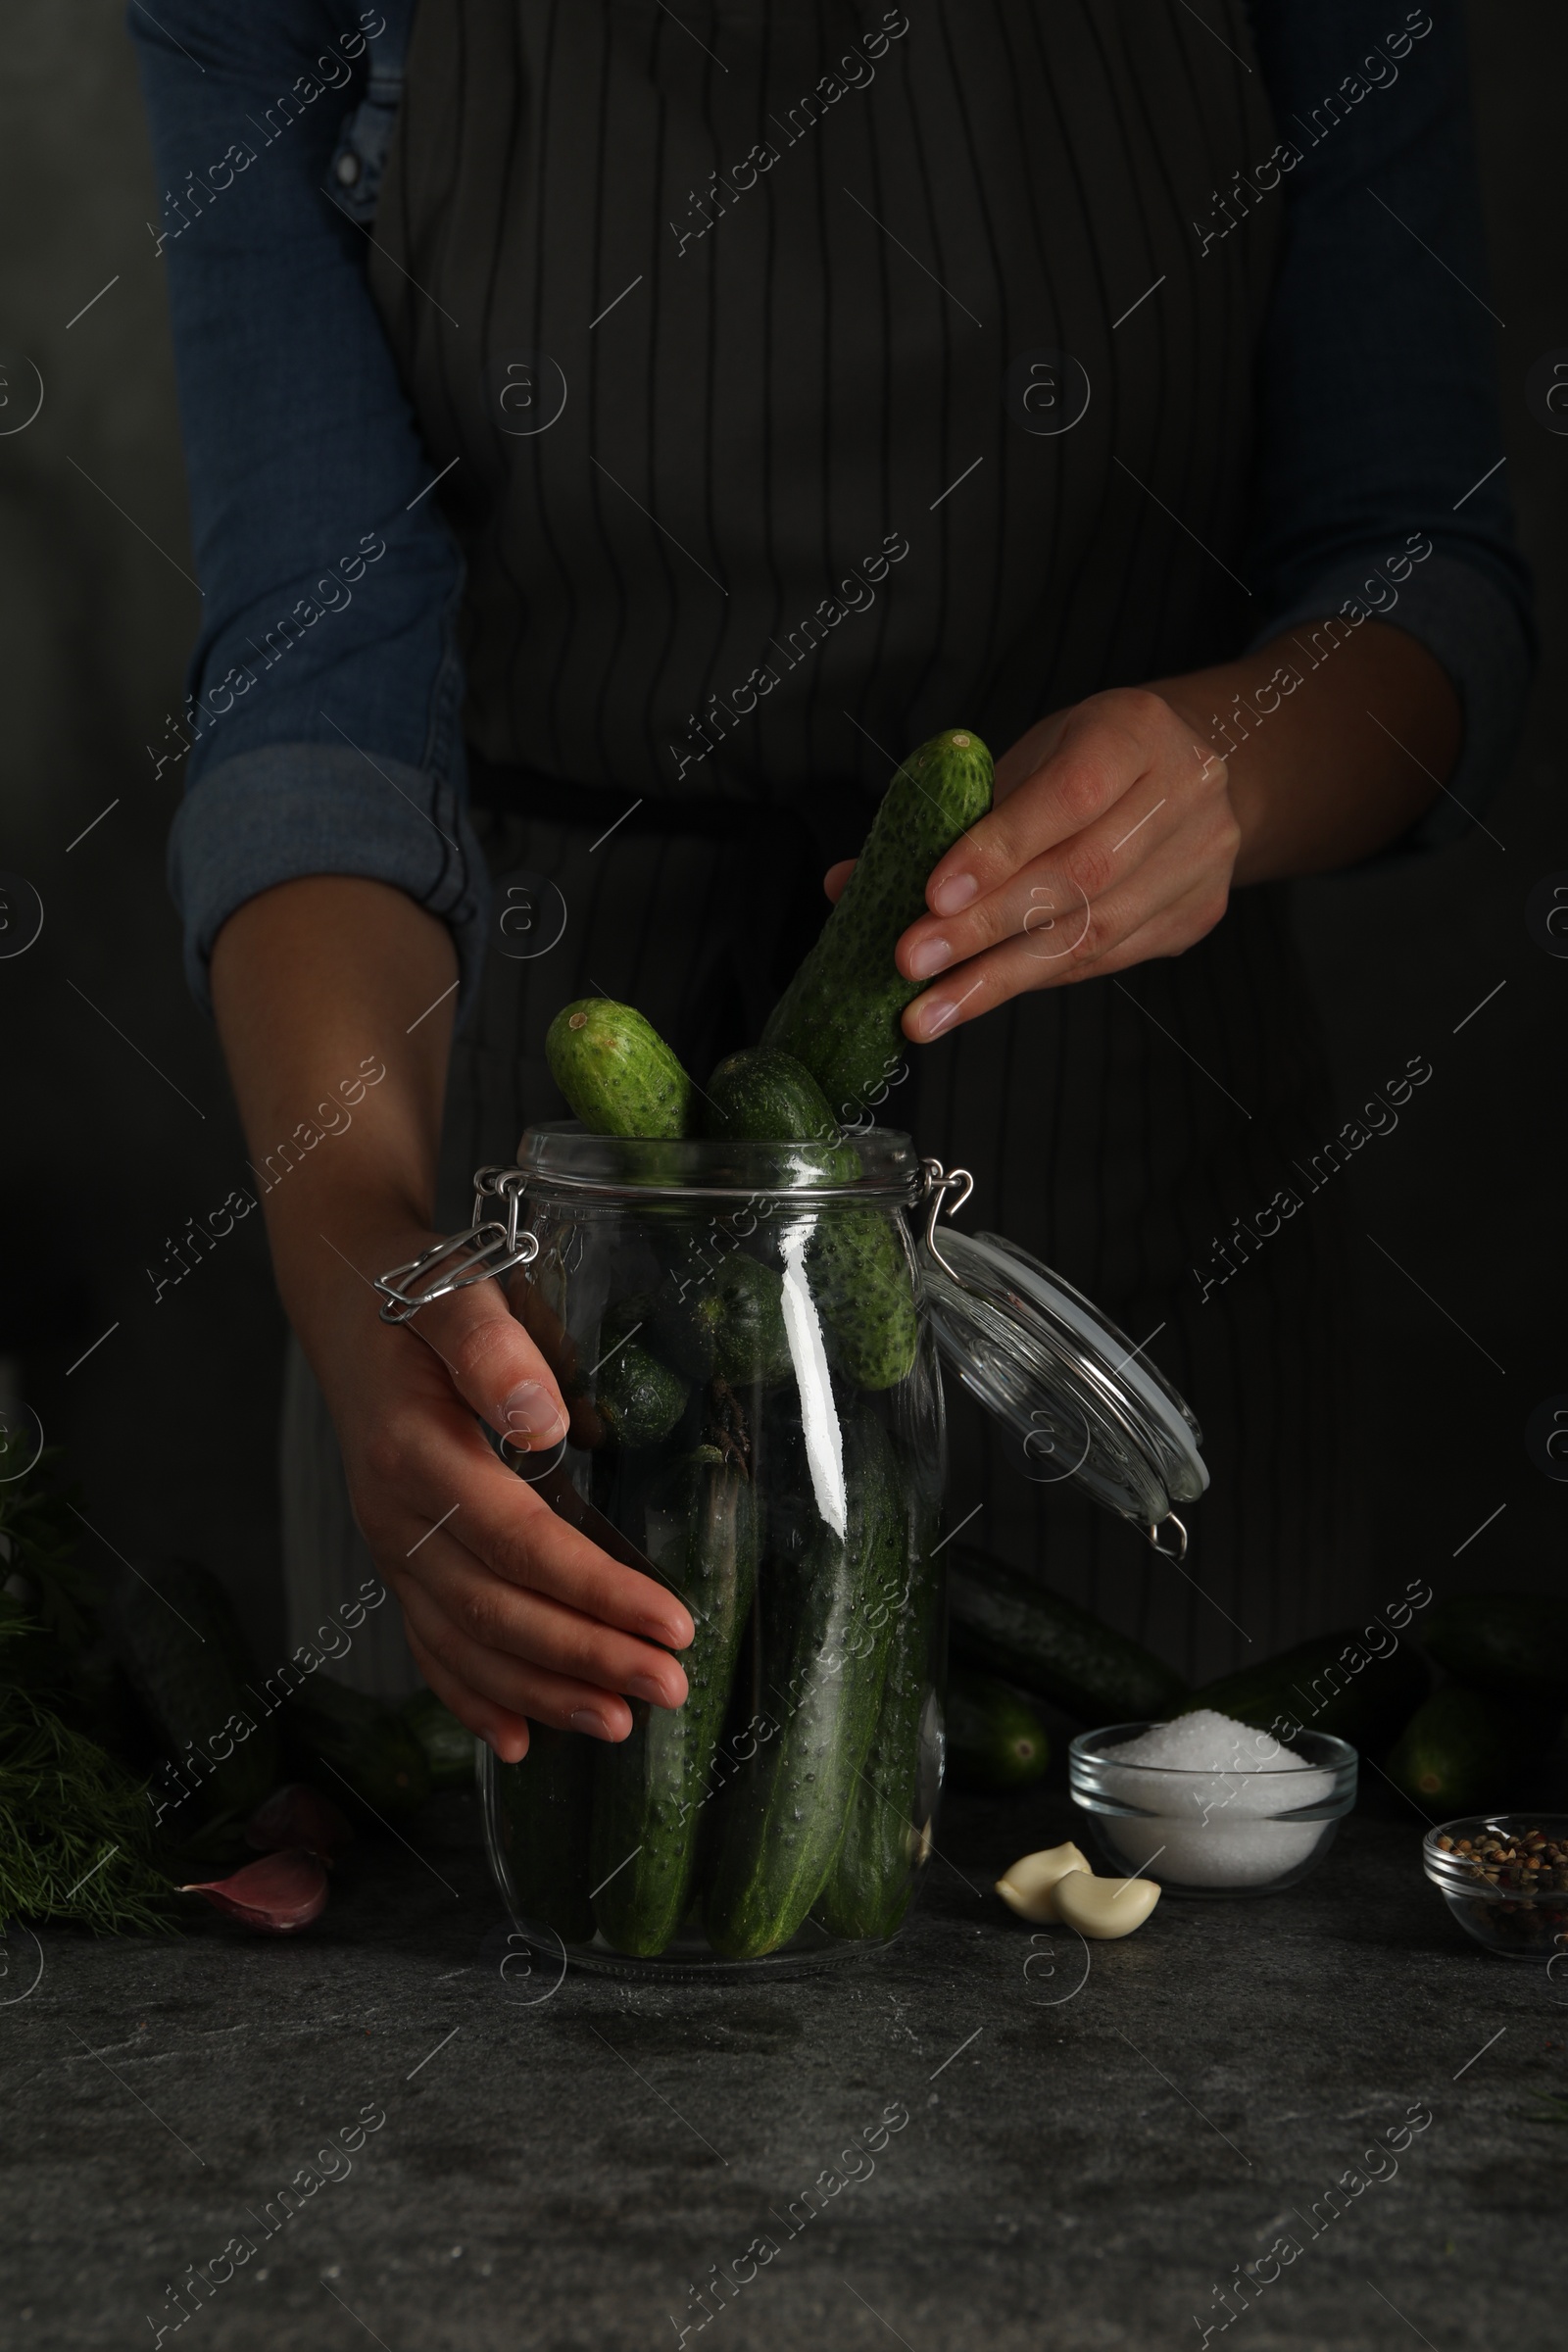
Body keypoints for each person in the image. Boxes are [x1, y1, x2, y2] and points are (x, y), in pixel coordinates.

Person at [131, 0, 1531, 1757]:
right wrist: (358, 1266)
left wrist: (1232, 773)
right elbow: (311, 677)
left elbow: (1423, 572)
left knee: (1157, 1975)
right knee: (534, 1949)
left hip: (1114, 1153)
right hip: (512, 1153)